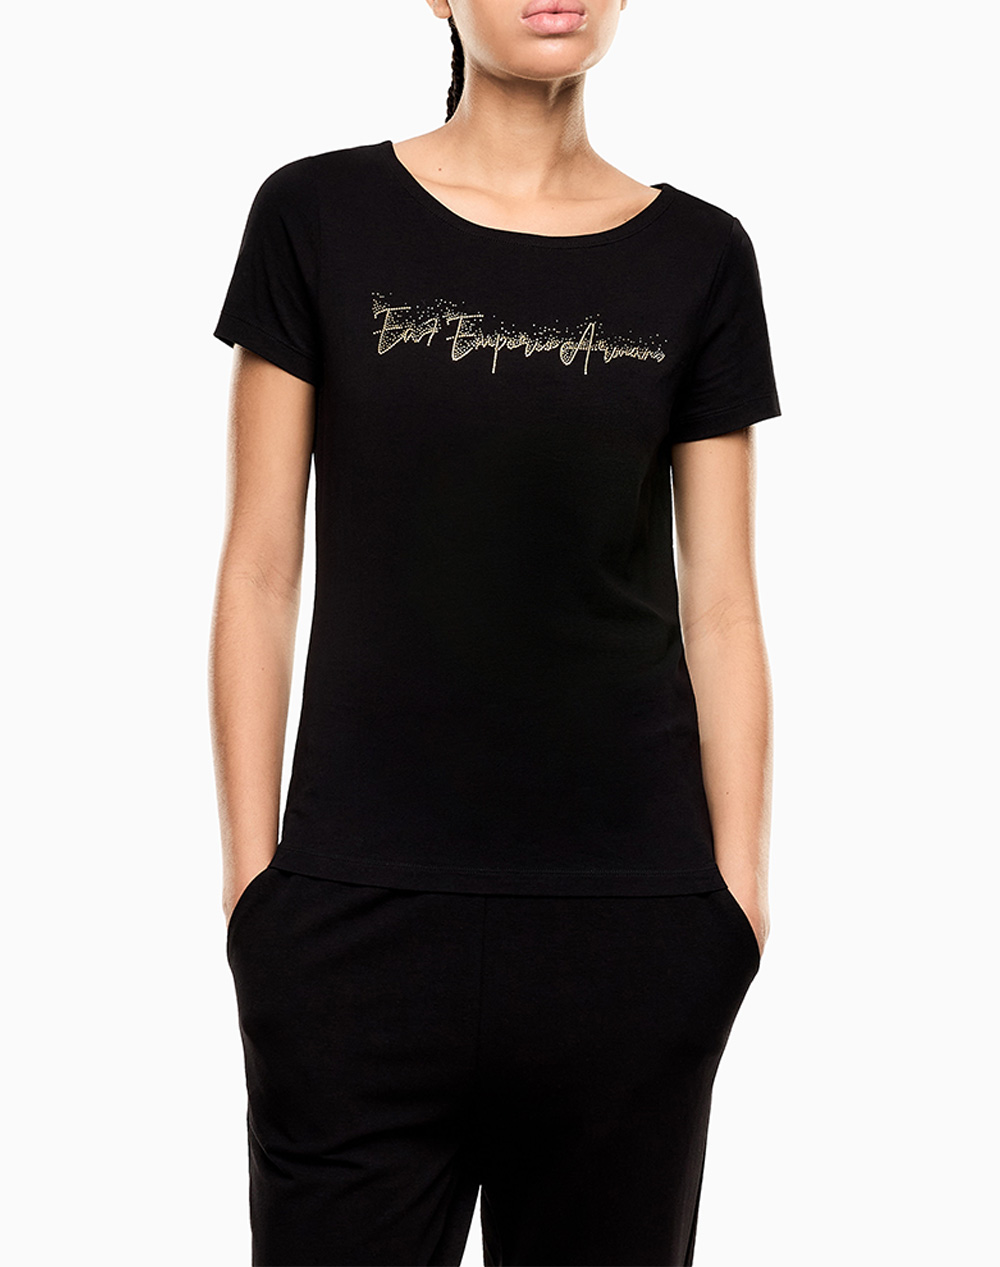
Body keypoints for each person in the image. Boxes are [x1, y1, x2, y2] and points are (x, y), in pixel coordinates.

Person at [209, 1, 781, 1263]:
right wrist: (257, 892)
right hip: (351, 929)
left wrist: (733, 906)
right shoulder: (316, 216)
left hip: (631, 932)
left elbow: (724, 603)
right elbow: (258, 569)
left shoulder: (700, 254)